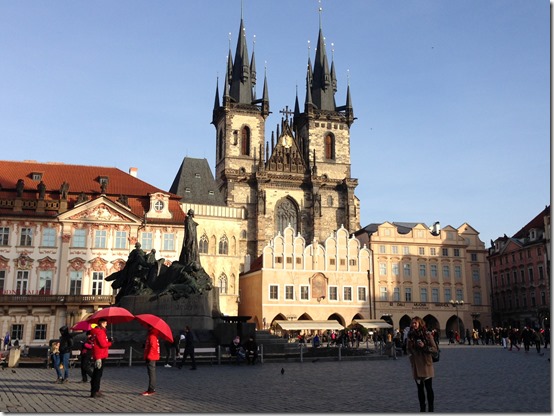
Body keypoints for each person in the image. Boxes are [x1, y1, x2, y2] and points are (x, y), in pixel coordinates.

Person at [407, 316, 438, 412]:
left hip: (426, 364)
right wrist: (410, 348)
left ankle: (431, 409)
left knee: (428, 388)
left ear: (420, 323)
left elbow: (435, 349)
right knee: (420, 389)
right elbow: (407, 350)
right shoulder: (410, 336)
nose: (413, 325)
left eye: (415, 323)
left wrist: (424, 346)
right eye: (412, 323)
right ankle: (422, 409)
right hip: (416, 364)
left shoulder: (427, 334)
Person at [90, 318, 112, 399]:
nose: (106, 324)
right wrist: (110, 343)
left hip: (99, 354)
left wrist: (108, 340)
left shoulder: (98, 331)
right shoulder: (100, 332)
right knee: (98, 374)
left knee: (97, 373)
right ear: (102, 323)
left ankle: (96, 390)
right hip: (100, 355)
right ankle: (95, 391)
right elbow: (103, 344)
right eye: (105, 323)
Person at [142, 325, 160, 396]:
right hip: (152, 356)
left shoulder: (152, 336)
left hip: (151, 357)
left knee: (151, 373)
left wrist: (149, 356)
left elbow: (153, 347)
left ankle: (151, 389)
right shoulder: (152, 335)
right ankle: (151, 388)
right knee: (150, 373)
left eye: (149, 327)